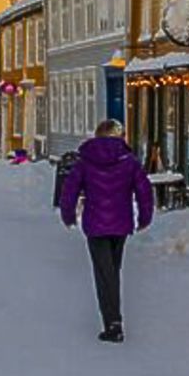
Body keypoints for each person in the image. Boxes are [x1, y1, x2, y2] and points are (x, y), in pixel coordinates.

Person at [59, 120, 153, 343]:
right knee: (113, 270)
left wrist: (68, 214)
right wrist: (145, 216)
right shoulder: (129, 162)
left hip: (95, 224)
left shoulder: (85, 162)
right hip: (120, 224)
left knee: (103, 274)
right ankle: (114, 319)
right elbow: (144, 190)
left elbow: (70, 189)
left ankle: (113, 323)